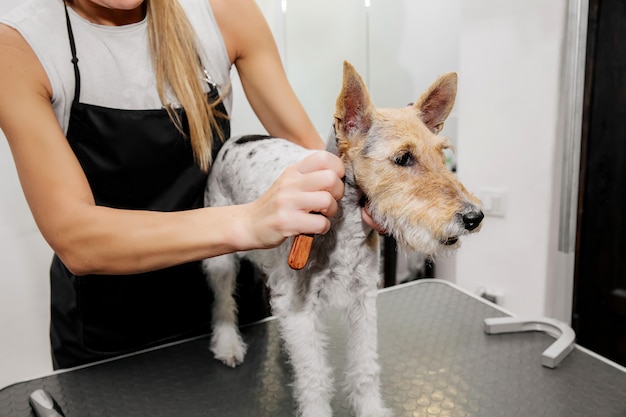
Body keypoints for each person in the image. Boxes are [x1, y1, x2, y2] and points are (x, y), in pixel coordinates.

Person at [0, 0, 382, 370]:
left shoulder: (224, 12)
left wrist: (369, 192)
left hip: (228, 312)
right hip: (107, 335)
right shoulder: (20, 47)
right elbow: (76, 238)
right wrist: (249, 222)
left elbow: (312, 154)